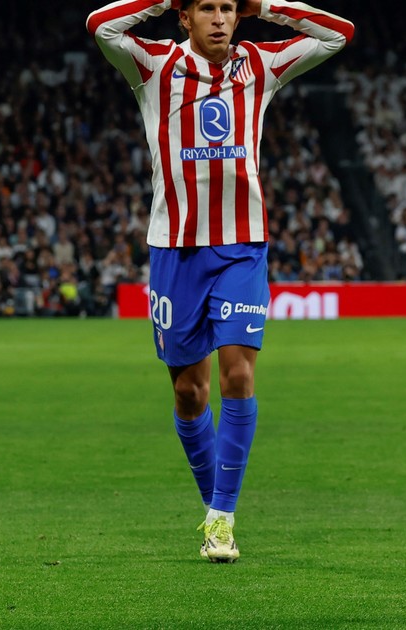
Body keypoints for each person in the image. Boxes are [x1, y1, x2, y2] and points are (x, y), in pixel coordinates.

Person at [86, 0, 353, 563]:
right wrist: (165, 0)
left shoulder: (260, 65)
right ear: (185, 18)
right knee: (190, 392)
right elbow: (100, 25)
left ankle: (223, 517)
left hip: (241, 246)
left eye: (228, 8)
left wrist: (266, 7)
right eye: (206, 8)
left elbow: (337, 35)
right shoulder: (154, 66)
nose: (219, 19)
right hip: (175, 250)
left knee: (238, 373)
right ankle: (214, 506)